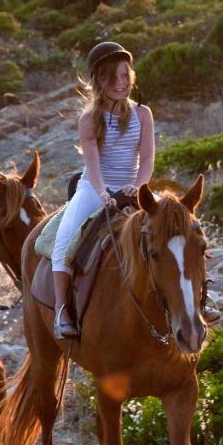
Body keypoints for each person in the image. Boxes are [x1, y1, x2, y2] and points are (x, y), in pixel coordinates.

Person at [51, 41, 157, 339]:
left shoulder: (143, 114)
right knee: (65, 239)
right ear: (99, 79)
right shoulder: (89, 118)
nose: (120, 84)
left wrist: (138, 187)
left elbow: (147, 160)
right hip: (96, 186)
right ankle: (62, 310)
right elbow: (93, 166)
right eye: (113, 78)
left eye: (125, 76)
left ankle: (201, 295)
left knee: (178, 223)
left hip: (134, 184)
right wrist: (102, 193)